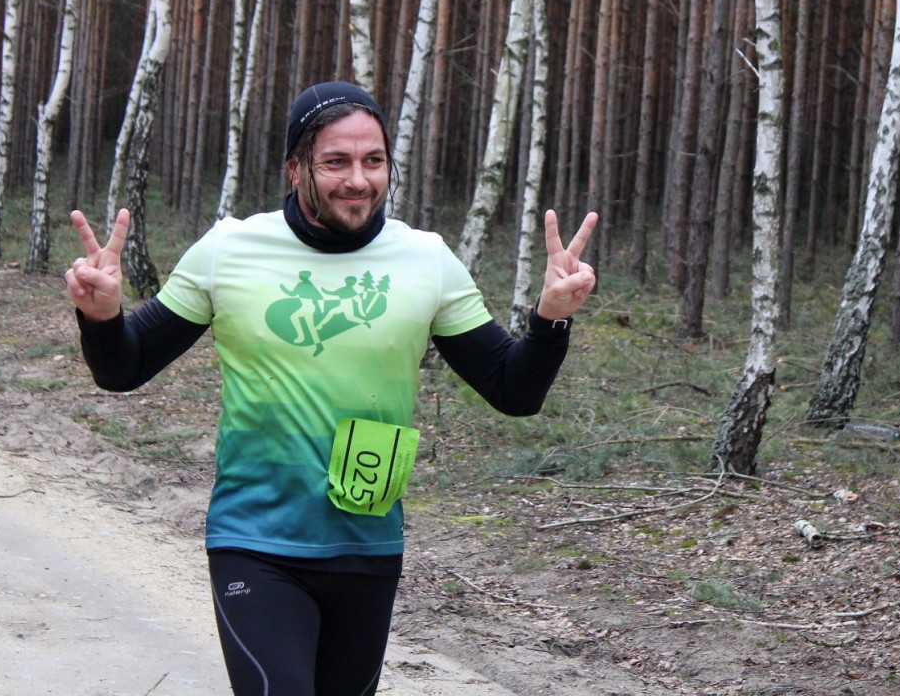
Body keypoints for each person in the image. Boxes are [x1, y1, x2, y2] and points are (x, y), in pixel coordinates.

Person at [65, 81, 597, 696]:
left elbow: (513, 390)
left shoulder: (425, 259)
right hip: (256, 540)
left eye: (374, 161)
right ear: (296, 168)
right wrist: (102, 318)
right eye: (336, 162)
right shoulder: (230, 249)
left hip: (367, 543)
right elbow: (124, 368)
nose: (358, 180)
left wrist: (551, 319)